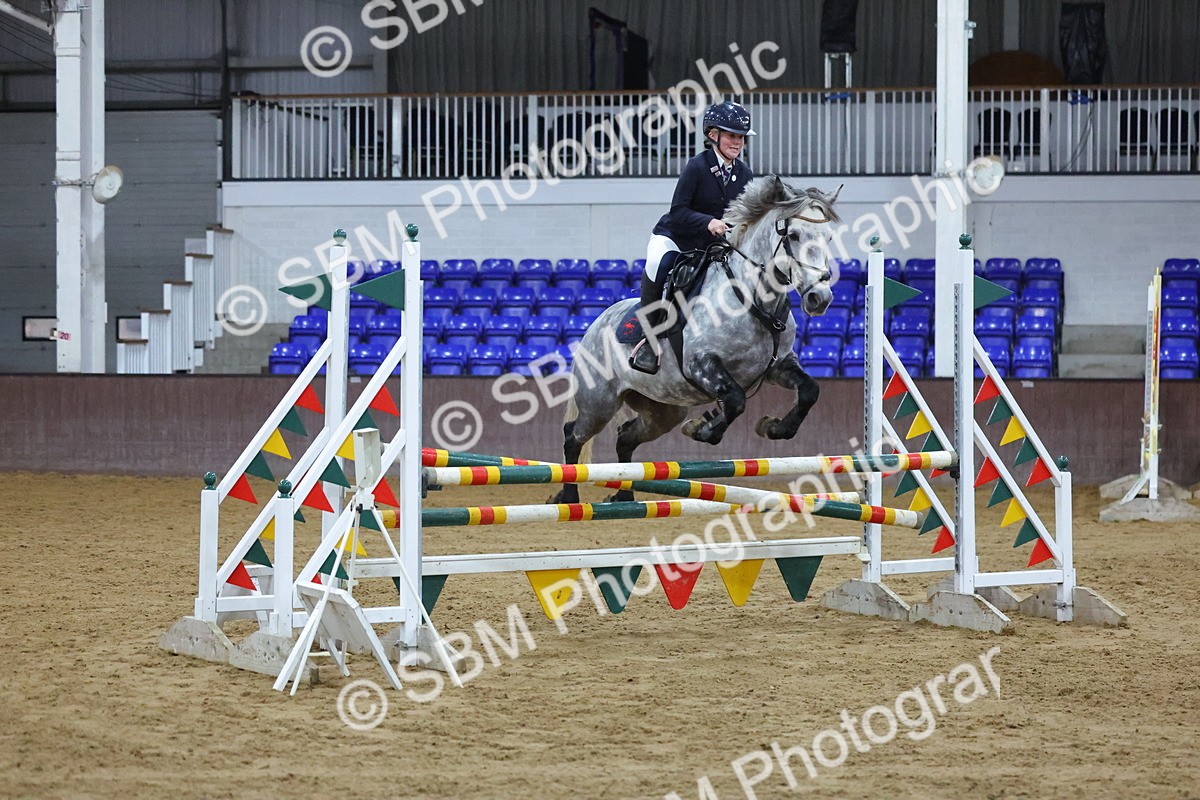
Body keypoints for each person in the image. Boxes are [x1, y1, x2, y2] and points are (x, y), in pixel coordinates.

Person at [629, 100, 756, 375]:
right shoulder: (697, 166)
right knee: (658, 265)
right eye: (732, 135)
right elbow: (678, 211)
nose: (738, 142)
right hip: (677, 238)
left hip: (712, 246)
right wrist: (708, 222)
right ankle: (649, 341)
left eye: (741, 137)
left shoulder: (744, 173)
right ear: (713, 135)